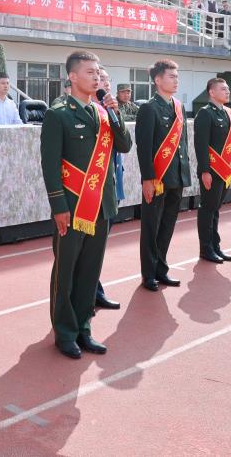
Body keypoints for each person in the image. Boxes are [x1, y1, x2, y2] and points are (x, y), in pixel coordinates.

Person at [40, 51, 131, 358]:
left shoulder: (104, 113)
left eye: (99, 73)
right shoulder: (58, 114)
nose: (96, 78)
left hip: (101, 205)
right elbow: (50, 165)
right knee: (66, 272)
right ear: (73, 76)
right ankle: (65, 332)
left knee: (90, 272)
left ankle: (84, 328)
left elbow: (124, 145)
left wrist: (116, 113)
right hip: (72, 206)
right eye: (90, 72)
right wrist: (58, 206)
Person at [136, 59, 191, 291]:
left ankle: (161, 268)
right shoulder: (149, 108)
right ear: (158, 80)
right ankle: (149, 274)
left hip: (176, 175)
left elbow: (183, 144)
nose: (176, 80)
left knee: (167, 225)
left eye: (177, 76)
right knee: (152, 227)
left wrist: (184, 172)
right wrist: (147, 179)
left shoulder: (178, 107)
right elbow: (144, 147)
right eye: (171, 76)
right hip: (157, 179)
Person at [193, 78, 231, 264]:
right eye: (223, 89)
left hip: (225, 169)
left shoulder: (227, 112)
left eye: (228, 88)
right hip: (212, 170)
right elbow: (201, 145)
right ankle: (206, 249)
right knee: (208, 209)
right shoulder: (205, 113)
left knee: (216, 209)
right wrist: (205, 171)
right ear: (211, 92)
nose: (227, 91)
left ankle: (215, 246)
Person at [94, 67, 122, 311]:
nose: (105, 83)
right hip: (91, 188)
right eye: (100, 78)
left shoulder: (109, 111)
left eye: (106, 79)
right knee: (89, 247)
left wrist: (115, 112)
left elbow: (124, 145)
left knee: (99, 244)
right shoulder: (87, 110)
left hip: (112, 184)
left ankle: (93, 289)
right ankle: (92, 291)